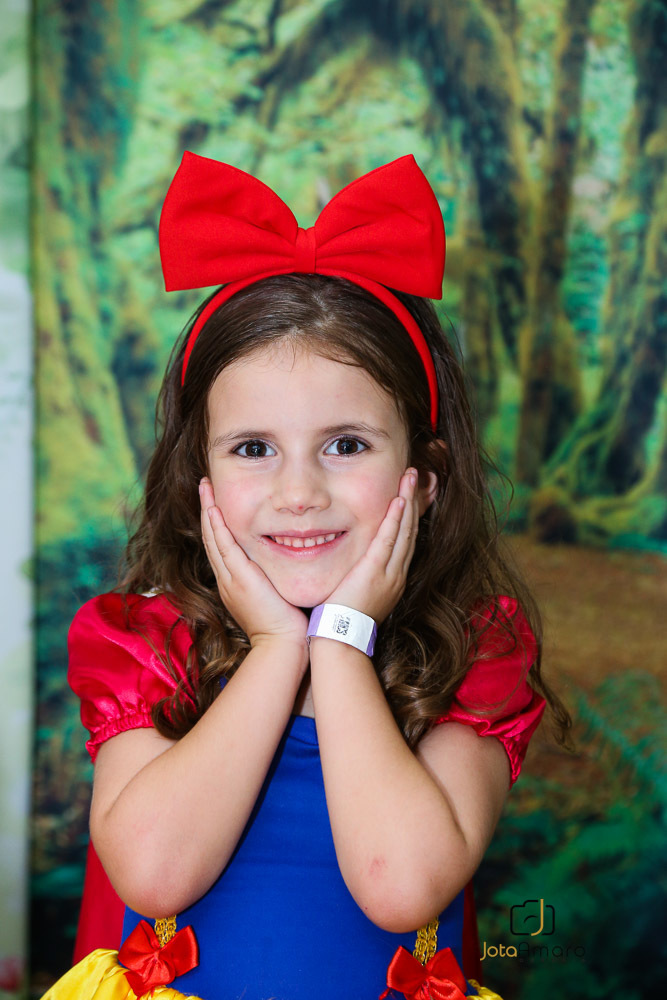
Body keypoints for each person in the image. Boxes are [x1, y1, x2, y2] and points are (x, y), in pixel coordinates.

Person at [42, 154, 570, 1000]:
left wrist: (340, 642)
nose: (298, 492)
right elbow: (154, 872)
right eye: (254, 448)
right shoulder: (147, 640)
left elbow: (402, 885)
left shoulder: (473, 649)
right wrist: (275, 647)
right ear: (198, 477)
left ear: (425, 476)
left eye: (346, 445)